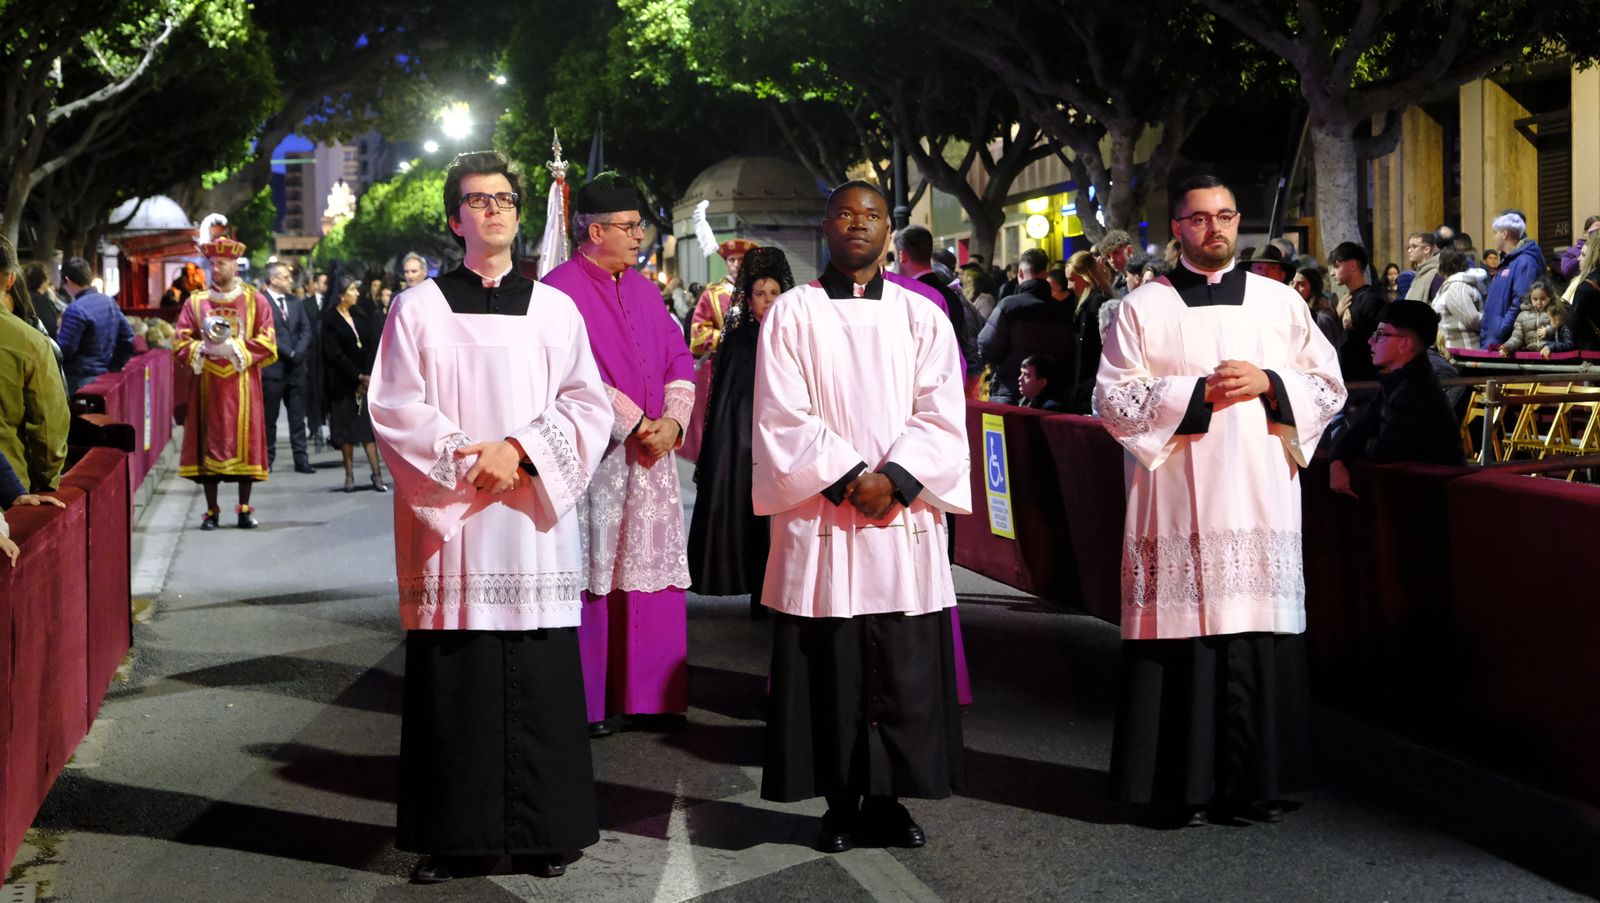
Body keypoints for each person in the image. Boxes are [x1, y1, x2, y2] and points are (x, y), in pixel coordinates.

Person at [368, 148, 611, 884]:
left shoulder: (556, 308)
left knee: (539, 674)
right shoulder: (418, 309)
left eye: (505, 197)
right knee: (457, 681)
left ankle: (545, 831)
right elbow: (394, 406)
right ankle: (455, 837)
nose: (496, 208)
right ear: (455, 218)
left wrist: (521, 450)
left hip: (532, 520)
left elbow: (586, 404)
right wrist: (471, 461)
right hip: (460, 528)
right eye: (478, 200)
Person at [1095, 174, 1346, 827]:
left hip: (1258, 496)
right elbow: (1112, 398)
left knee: (1253, 632)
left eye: (1227, 216)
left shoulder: (1278, 302)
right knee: (1183, 640)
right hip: (1175, 494)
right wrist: (1194, 395)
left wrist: (1272, 381)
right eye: (1200, 218)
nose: (1216, 228)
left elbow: (1329, 384)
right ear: (1177, 227)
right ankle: (1180, 785)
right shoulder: (1141, 308)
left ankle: (1255, 784)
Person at [753, 179, 970, 853]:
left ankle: (890, 799)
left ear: (888, 229)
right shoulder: (792, 313)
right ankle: (839, 803)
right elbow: (781, 416)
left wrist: (898, 480)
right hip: (825, 515)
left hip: (900, 517)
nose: (859, 224)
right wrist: (853, 478)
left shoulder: (921, 315)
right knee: (834, 664)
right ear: (826, 224)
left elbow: (943, 410)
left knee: (901, 665)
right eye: (846, 213)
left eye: (872, 215)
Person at [541, 172, 696, 738]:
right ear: (595, 229)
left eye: (640, 227)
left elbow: (679, 354)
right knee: (598, 573)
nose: (639, 237)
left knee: (649, 571)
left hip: (654, 458)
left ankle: (653, 696)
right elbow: (567, 374)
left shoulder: (644, 287)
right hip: (599, 461)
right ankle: (596, 698)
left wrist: (674, 421)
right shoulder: (557, 289)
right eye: (629, 228)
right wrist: (636, 424)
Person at [685, 247, 793, 620]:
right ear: (748, 297)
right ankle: (758, 593)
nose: (766, 302)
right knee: (751, 519)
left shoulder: (795, 334)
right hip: (747, 442)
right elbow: (729, 399)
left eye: (774, 293)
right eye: (759, 294)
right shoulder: (736, 338)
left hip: (791, 441)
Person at [173, 229, 276, 530]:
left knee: (245, 445)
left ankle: (244, 508)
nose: (216, 270)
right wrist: (201, 347)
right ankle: (212, 510)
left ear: (235, 265)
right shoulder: (196, 303)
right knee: (209, 446)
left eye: (222, 265)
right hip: (208, 386)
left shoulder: (255, 301)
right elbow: (179, 340)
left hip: (243, 385)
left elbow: (269, 340)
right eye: (213, 265)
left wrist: (237, 347)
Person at [1330, 300, 1464, 498]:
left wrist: (1357, 446)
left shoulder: (1417, 391)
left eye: (1381, 335)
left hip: (1429, 501)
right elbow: (1361, 430)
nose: (1371, 341)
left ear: (1404, 344)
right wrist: (1338, 461)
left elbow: (1385, 452)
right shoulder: (1395, 382)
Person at [0, 237, 69, 492]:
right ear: (10, 280)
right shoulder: (31, 343)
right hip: (11, 491)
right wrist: (47, 481)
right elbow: (49, 429)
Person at [682, 238, 757, 463]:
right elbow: (697, 336)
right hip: (721, 371)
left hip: (754, 369)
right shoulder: (712, 294)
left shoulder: (760, 291)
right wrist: (728, 338)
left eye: (741, 260)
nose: (735, 264)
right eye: (731, 260)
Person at [978, 247, 1072, 404]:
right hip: (1051, 397)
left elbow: (987, 347)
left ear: (1020, 273)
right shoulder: (1062, 310)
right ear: (1046, 275)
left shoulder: (1008, 306)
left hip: (1009, 392)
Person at [323, 278, 387, 492]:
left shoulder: (361, 315)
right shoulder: (331, 320)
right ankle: (349, 475)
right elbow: (334, 354)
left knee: (367, 432)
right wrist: (356, 375)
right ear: (342, 294)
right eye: (352, 290)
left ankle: (377, 475)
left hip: (365, 383)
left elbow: (370, 345)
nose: (357, 294)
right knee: (346, 434)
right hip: (343, 384)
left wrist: (367, 375)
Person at [258, 261, 315, 474]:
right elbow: (265, 333)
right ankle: (267, 459)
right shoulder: (261, 302)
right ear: (273, 279)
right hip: (273, 369)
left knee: (298, 418)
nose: (290, 280)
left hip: (297, 369)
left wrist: (298, 352)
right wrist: (289, 353)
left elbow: (306, 329)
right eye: (285, 277)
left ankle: (301, 459)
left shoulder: (295, 302)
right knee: (269, 419)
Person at [57, 256, 135, 392]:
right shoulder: (109, 302)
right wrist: (114, 366)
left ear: (68, 280)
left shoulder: (75, 309)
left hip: (76, 380)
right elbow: (127, 338)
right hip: (103, 377)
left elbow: (64, 350)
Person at [1480, 211, 1546, 349]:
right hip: (1494, 338)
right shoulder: (1508, 261)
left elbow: (1521, 301)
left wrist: (1501, 329)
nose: (1494, 237)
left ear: (1504, 234)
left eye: (1496, 233)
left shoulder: (1525, 262)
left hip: (1505, 341)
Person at [1063, 250, 1113, 413]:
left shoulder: (1096, 303)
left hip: (1091, 385)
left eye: (1072, 280)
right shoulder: (1085, 303)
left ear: (1085, 277)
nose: (1069, 286)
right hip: (1085, 386)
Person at [1329, 241, 1384, 383]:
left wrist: (1350, 328)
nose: (1332, 273)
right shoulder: (1347, 299)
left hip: (1365, 379)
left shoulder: (1371, 300)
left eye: (1336, 266)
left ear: (1352, 265)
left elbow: (1377, 341)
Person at [1499, 280, 1571, 359]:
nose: (1539, 302)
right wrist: (1507, 347)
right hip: (1531, 356)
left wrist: (1549, 331)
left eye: (1543, 299)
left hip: (1551, 355)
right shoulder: (1523, 316)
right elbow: (1516, 337)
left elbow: (1560, 328)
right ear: (1530, 298)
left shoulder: (1555, 312)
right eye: (1535, 299)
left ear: (1549, 297)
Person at [1431, 249, 1484, 351]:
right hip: (1453, 349)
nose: (1436, 267)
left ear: (1445, 265)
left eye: (1438, 263)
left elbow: (1472, 319)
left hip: (1463, 351)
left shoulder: (1457, 287)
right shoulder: (1452, 284)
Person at [1292, 265, 1344, 349]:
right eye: (1292, 282)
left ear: (1313, 289)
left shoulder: (1321, 320)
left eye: (1301, 284)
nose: (1294, 287)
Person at [1403, 232, 1442, 303]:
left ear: (1426, 250)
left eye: (1414, 247)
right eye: (1409, 247)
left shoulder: (1436, 275)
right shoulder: (1418, 275)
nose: (1409, 251)